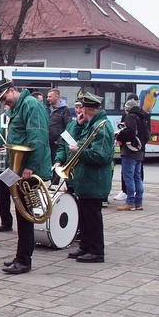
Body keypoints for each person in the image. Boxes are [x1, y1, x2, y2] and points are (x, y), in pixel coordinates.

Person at [0, 78, 51, 275]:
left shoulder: (31, 104)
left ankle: (24, 260)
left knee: (25, 216)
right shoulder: (20, 106)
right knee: (21, 213)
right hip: (18, 168)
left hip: (27, 169)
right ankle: (21, 256)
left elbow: (38, 136)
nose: (4, 103)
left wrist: (30, 166)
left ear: (13, 90)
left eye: (5, 98)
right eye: (1, 100)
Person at [62, 93, 114, 262]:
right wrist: (78, 124)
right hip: (86, 180)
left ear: (86, 109)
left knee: (92, 217)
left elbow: (101, 156)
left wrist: (77, 151)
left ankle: (97, 251)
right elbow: (77, 138)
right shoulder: (92, 124)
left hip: (95, 180)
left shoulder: (102, 126)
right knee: (84, 216)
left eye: (82, 108)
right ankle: (85, 246)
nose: (80, 111)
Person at [116, 98, 145, 211]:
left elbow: (129, 131)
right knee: (137, 177)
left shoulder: (130, 117)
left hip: (129, 151)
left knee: (128, 178)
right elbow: (147, 135)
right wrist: (140, 145)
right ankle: (139, 202)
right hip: (139, 151)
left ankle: (130, 202)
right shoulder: (142, 117)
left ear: (128, 109)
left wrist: (120, 138)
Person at [47, 88, 73, 163]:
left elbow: (68, 127)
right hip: (48, 143)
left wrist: (59, 140)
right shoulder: (47, 109)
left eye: (50, 97)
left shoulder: (65, 110)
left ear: (57, 97)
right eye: (48, 97)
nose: (48, 99)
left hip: (57, 144)